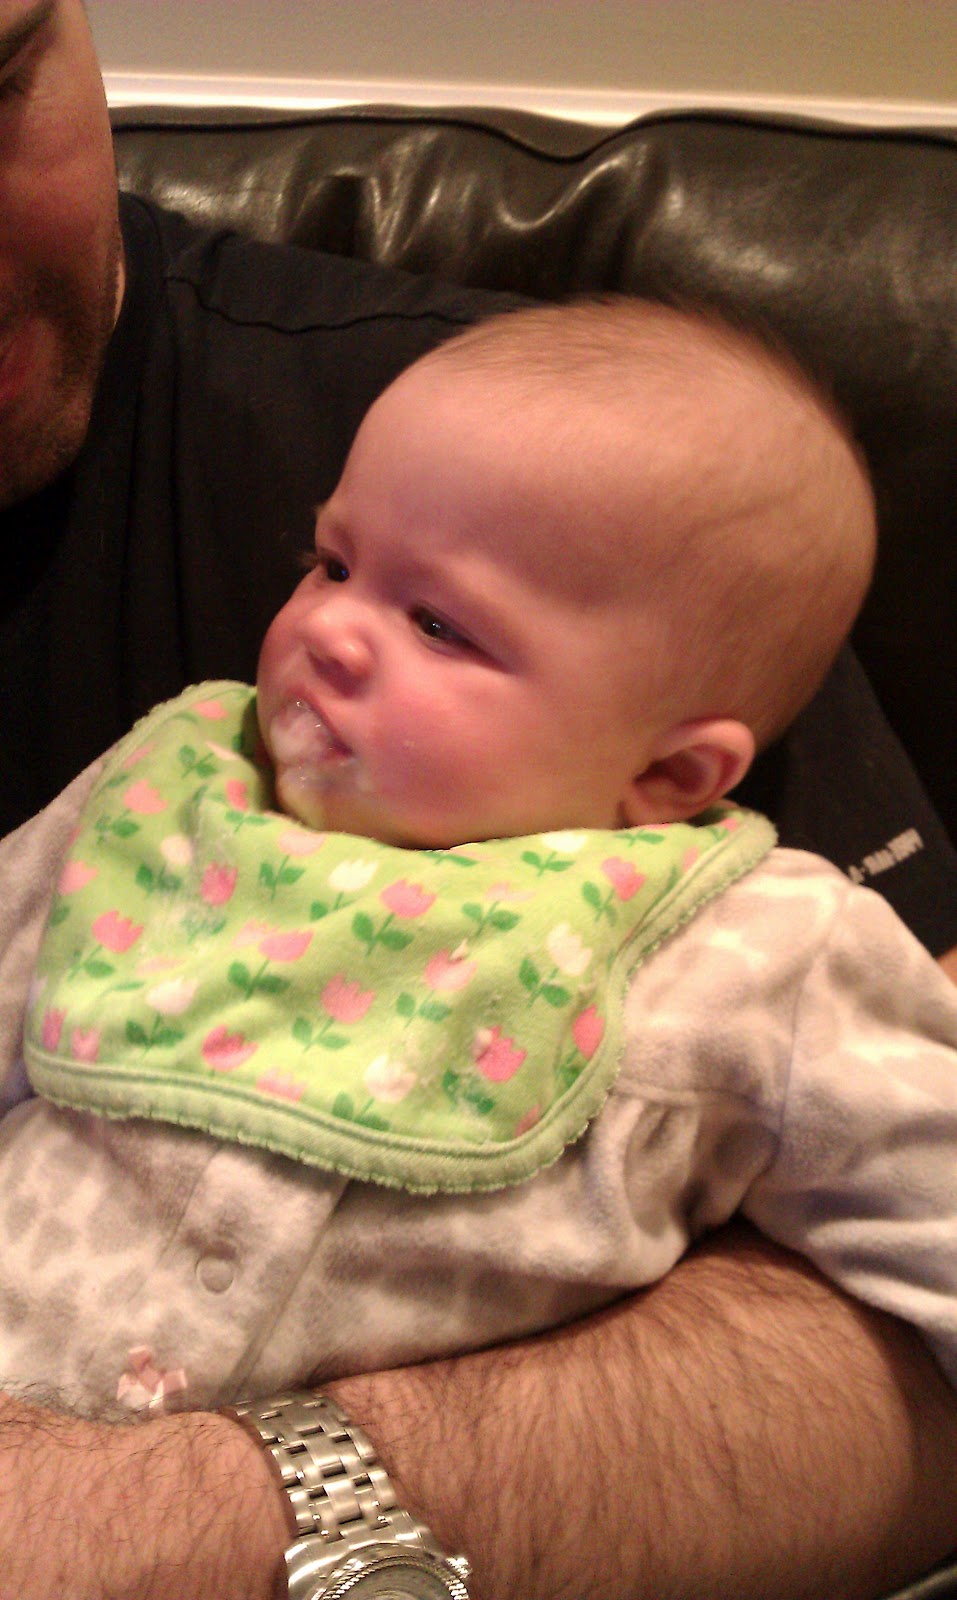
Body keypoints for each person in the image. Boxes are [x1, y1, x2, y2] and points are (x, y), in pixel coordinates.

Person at [2, 3, 957, 1596]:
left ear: (670, 774)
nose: (327, 630)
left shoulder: (751, 952)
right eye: (329, 563)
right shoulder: (166, 795)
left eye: (441, 629)